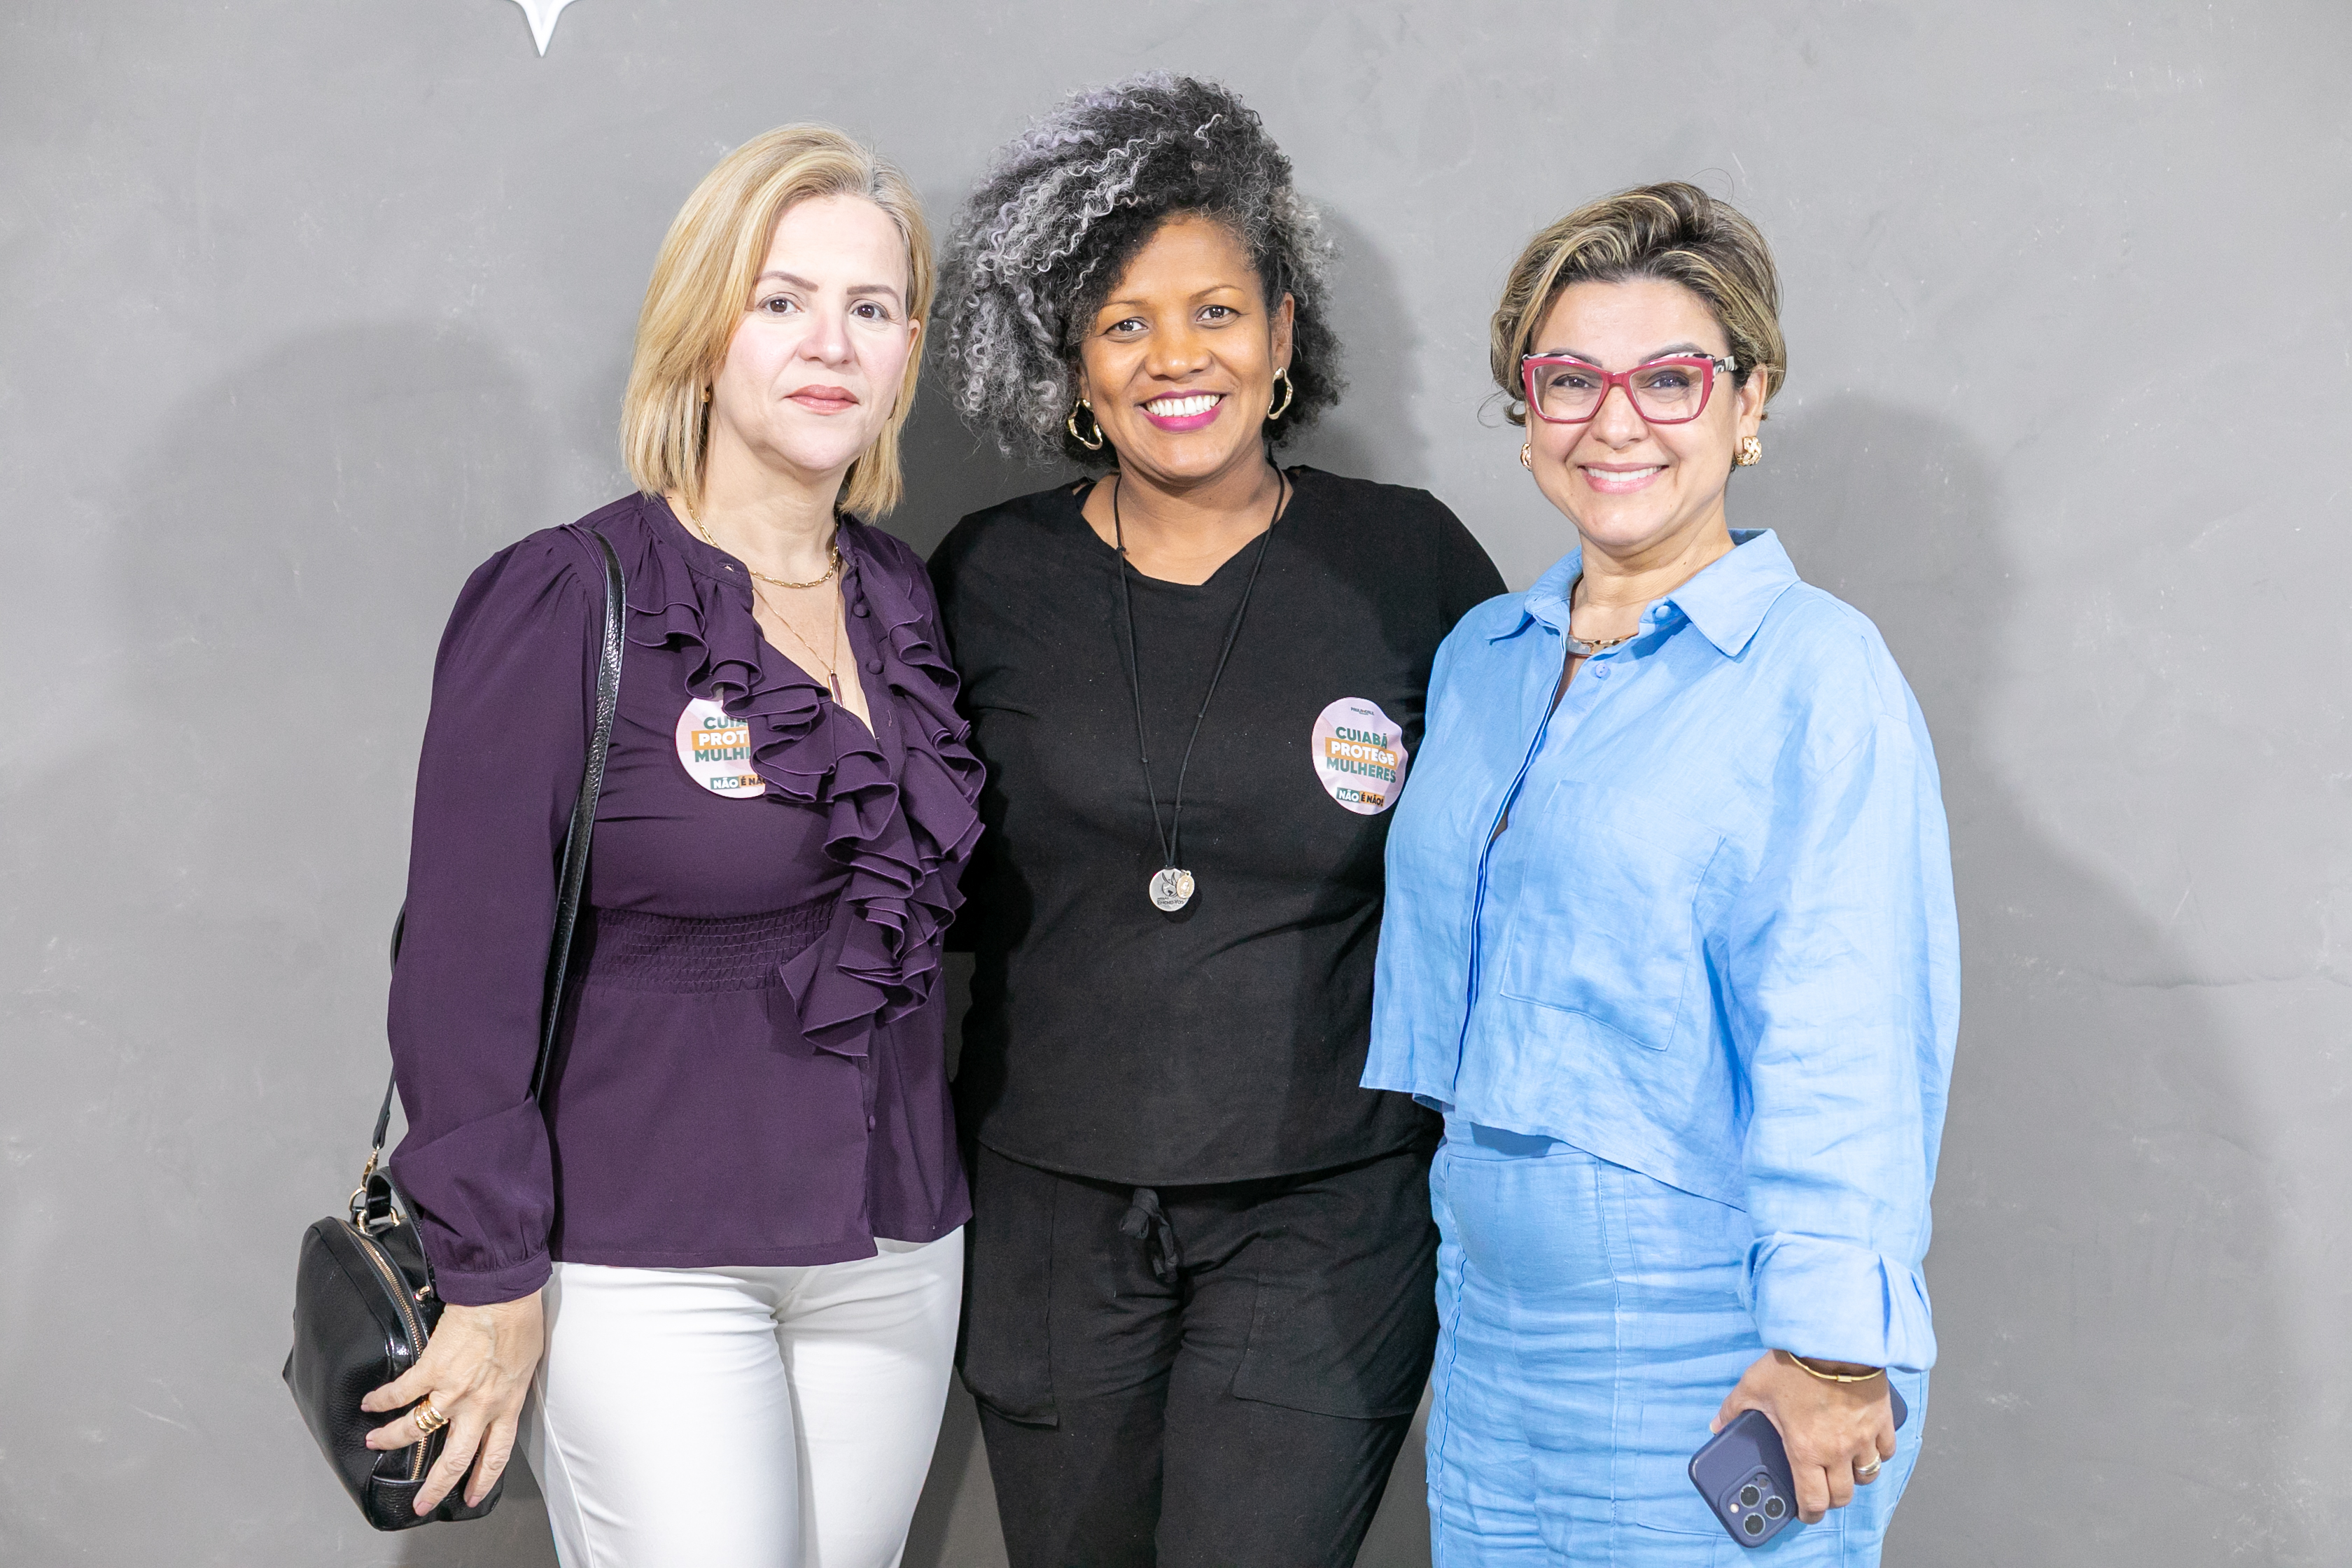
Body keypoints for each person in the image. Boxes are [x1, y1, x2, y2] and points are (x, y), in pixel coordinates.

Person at [358, 125, 982, 1568]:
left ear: (906, 354)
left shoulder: (903, 598)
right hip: (645, 1257)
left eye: (872, 308)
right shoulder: (568, 598)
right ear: (704, 330)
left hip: (895, 1244)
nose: (830, 344)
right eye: (782, 300)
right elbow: (459, 967)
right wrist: (490, 1272)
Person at [927, 73, 1505, 1568]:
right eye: (1124, 322)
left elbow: (1520, 866)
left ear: (1284, 335)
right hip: (1049, 1211)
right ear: (1072, 360)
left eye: (1217, 312)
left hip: (1329, 1212)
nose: (1176, 357)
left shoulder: (1409, 564)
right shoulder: (983, 577)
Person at [1366, 181, 1959, 1565]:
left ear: (1750, 403)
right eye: (1570, 379)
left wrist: (1828, 1350)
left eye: (1671, 378)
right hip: (1489, 1330)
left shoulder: (1818, 673)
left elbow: (1848, 1026)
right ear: (1528, 413)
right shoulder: (1482, 660)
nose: (1615, 421)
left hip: (1716, 1327)